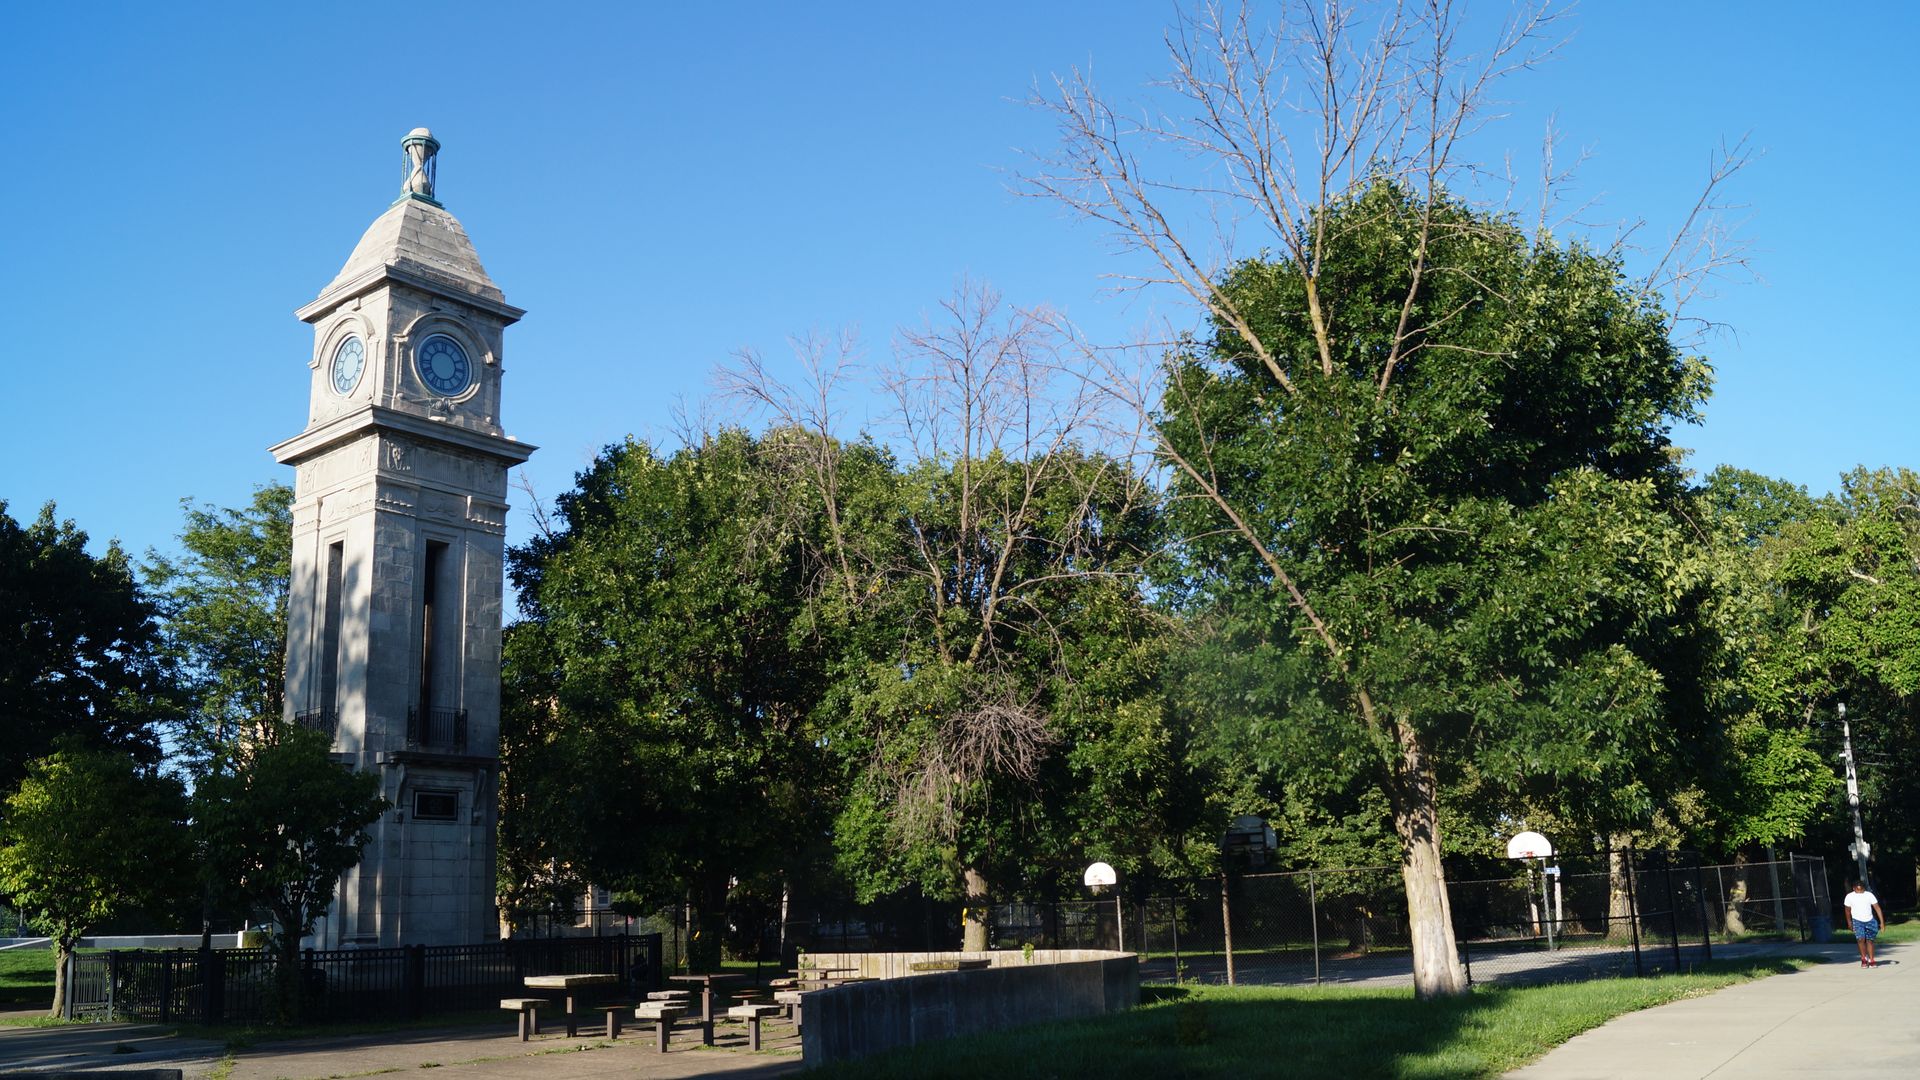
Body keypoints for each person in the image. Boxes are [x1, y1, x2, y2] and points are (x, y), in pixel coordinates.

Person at [1841, 880, 1886, 967]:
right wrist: (1849, 923)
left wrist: (1882, 923)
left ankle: (1872, 959)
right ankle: (1864, 959)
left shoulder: (1869, 895)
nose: (1860, 892)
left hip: (1870, 920)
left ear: (1864, 888)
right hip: (1857, 921)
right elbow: (1847, 911)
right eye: (1858, 890)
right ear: (1854, 888)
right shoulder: (1849, 897)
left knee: (1870, 941)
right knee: (1860, 939)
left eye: (1861, 890)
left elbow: (1877, 908)